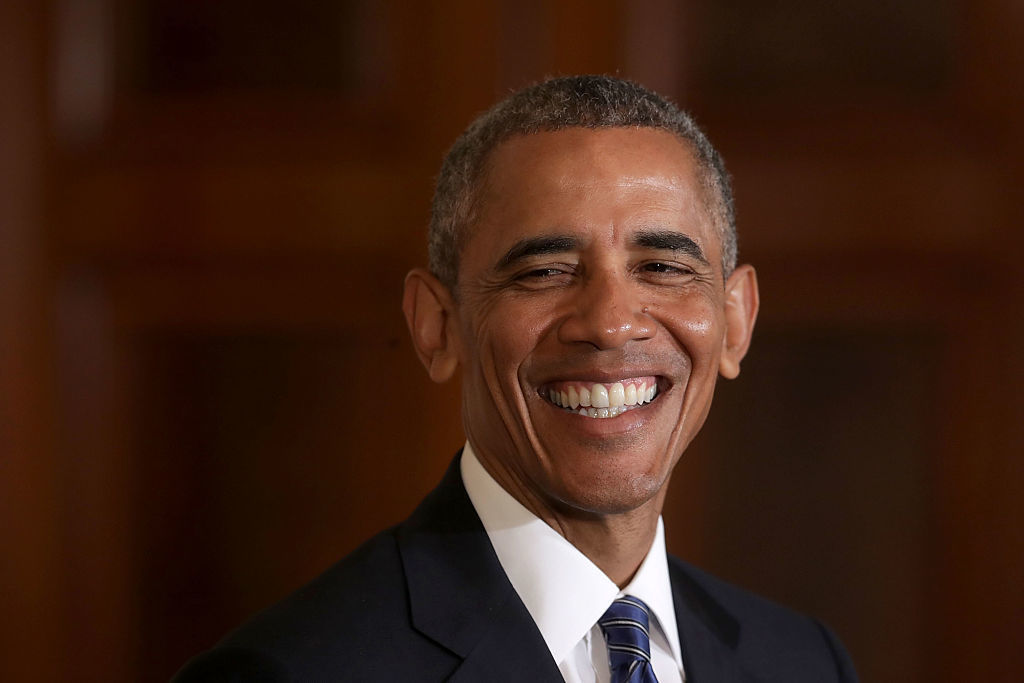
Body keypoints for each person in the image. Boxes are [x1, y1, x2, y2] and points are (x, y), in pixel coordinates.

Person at [174, 75, 858, 682]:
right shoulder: (288, 672)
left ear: (735, 322)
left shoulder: (802, 661)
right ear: (437, 327)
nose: (611, 322)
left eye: (663, 267)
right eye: (544, 272)